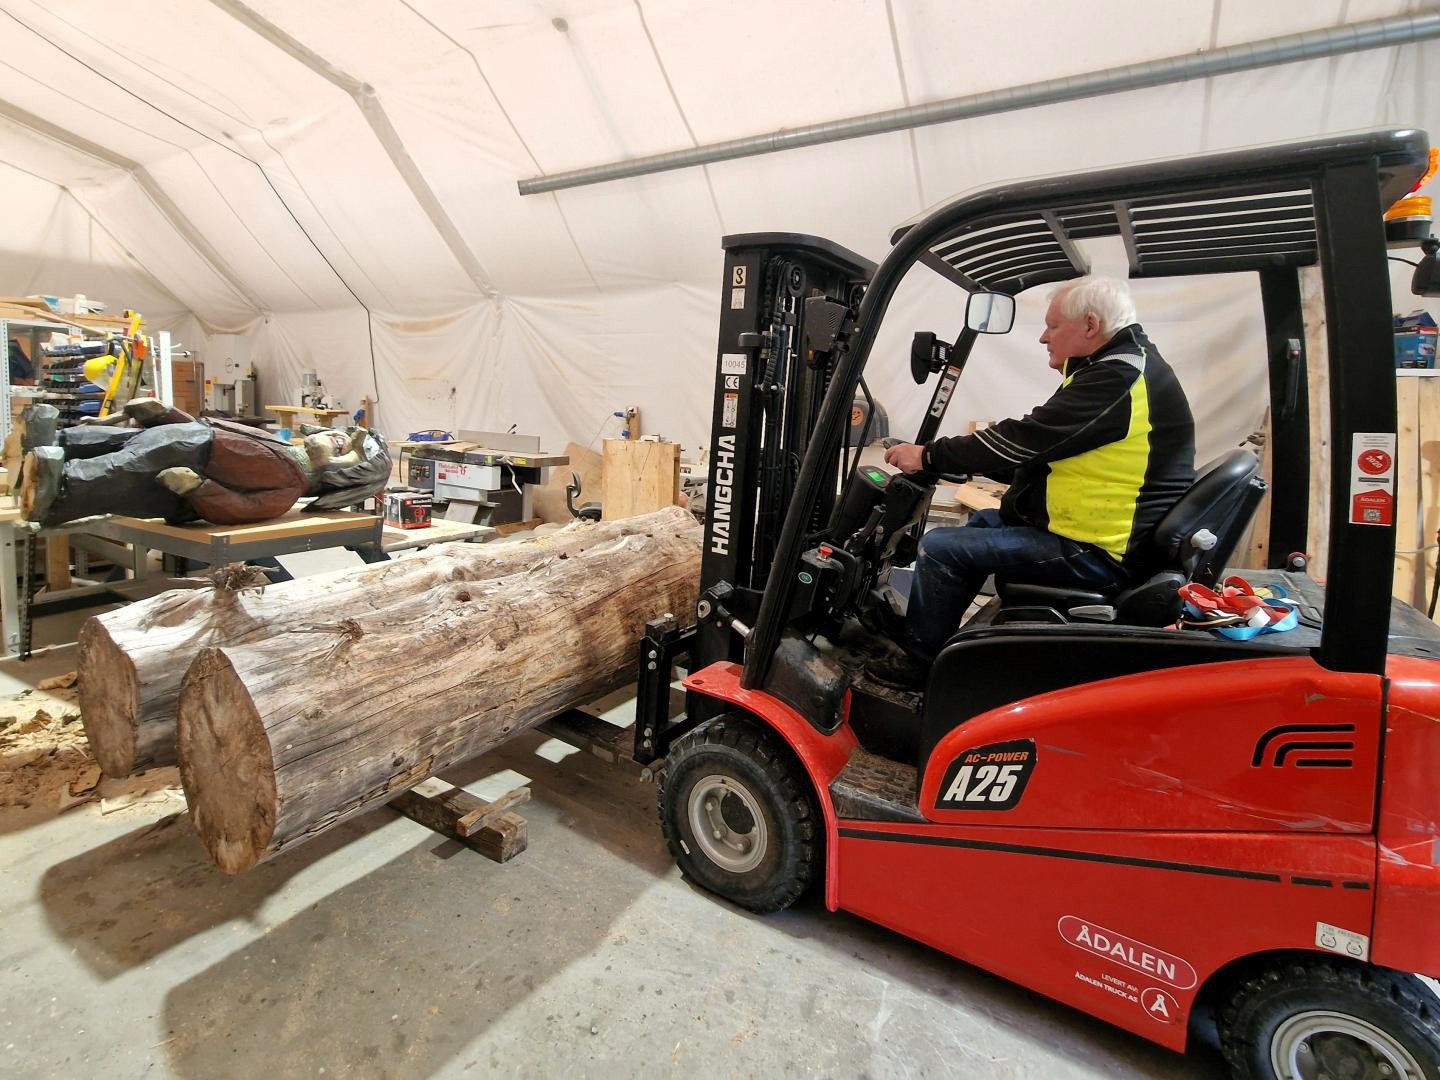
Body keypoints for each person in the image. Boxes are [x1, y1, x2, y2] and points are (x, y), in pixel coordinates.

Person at [872, 276, 1195, 687]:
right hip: (1094, 536)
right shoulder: (1121, 368)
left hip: (1097, 553)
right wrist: (959, 461)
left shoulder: (1117, 380)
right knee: (984, 525)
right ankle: (938, 635)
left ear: (1091, 325)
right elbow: (1044, 453)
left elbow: (1026, 439)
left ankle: (919, 666)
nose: (1044, 337)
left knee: (940, 546)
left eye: (1053, 326)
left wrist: (929, 455)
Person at [19, 399, 390, 527]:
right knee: (114, 439)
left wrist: (201, 487)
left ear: (343, 478)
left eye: (347, 446)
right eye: (342, 433)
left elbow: (243, 508)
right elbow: (217, 430)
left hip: (185, 460)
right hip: (181, 437)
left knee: (122, 468)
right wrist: (168, 413)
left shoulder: (287, 489)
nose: (337, 437)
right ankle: (56, 444)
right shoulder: (282, 445)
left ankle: (62, 486)